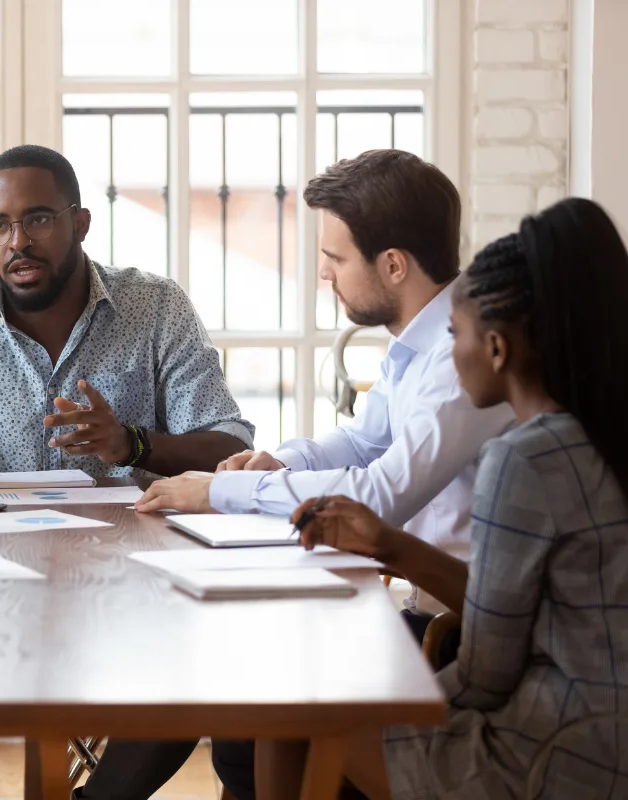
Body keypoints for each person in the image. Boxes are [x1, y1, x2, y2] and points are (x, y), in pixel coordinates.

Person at [78, 150, 516, 800]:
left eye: (335, 258)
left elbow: (382, 494)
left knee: (241, 669)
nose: (323, 275)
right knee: (232, 668)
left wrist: (219, 490)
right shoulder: (419, 347)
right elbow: (366, 440)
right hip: (422, 611)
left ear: (392, 265)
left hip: (450, 635)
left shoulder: (459, 357)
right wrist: (280, 462)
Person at [258, 197, 628, 799]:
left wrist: (401, 693)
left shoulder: (525, 459)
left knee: (288, 701)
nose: (448, 355)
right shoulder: (599, 436)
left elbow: (486, 674)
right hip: (607, 738)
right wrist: (390, 545)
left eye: (454, 335)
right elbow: (535, 616)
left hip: (551, 758)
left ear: (499, 349)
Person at [0, 144, 255, 481]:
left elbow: (231, 448)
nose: (18, 242)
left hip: (123, 547)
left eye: (38, 220)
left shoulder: (156, 306)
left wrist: (131, 444)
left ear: (81, 224)